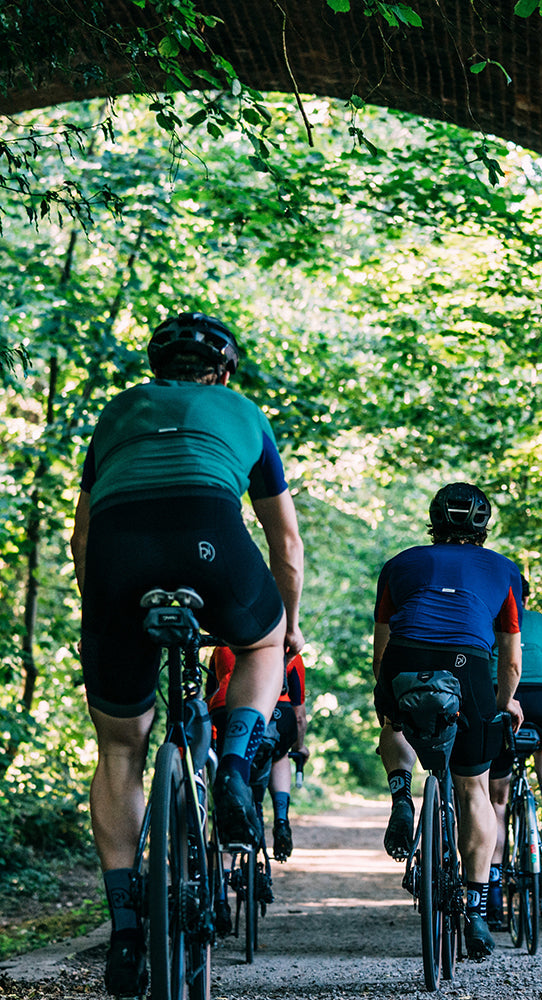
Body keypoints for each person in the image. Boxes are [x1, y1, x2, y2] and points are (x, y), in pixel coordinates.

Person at [70, 311, 304, 997]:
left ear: (156, 367)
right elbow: (285, 544)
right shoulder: (243, 412)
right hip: (212, 539)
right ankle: (235, 766)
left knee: (119, 752)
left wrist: (105, 609)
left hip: (119, 556)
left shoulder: (118, 412)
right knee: (260, 641)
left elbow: (83, 535)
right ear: (224, 370)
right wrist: (286, 625)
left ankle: (124, 929)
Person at [372, 482, 524, 960]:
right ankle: (477, 911)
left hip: (404, 658)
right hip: (469, 665)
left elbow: (382, 643)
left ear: (433, 519)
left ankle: (402, 796)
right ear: (484, 525)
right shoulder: (505, 571)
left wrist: (386, 699)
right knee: (473, 790)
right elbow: (512, 659)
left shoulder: (398, 565)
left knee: (392, 725)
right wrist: (500, 705)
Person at [486, 574, 542, 928]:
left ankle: (491, 894)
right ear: (529, 595)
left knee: (496, 804)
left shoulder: (487, 618)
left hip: (502, 699)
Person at [207, 644, 309, 861]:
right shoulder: (291, 653)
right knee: (278, 755)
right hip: (278, 715)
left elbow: (209, 696)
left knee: (231, 765)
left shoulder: (221, 648)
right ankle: (281, 819)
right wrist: (299, 746)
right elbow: (299, 714)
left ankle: (222, 870)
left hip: (226, 710)